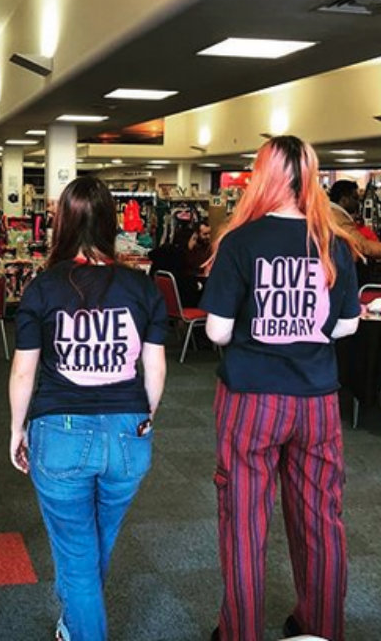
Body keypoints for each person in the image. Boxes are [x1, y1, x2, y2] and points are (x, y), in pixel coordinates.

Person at [200, 136, 360, 641]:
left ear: (262, 176)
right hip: (317, 399)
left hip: (252, 398)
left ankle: (240, 631)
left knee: (245, 519)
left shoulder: (241, 241)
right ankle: (320, 628)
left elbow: (217, 331)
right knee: (321, 516)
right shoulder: (332, 240)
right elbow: (348, 327)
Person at [8, 175, 167, 641]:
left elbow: (23, 372)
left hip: (59, 432)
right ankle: (74, 620)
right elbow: (154, 368)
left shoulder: (43, 288)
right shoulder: (141, 287)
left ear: (61, 223)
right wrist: (147, 417)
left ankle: (81, 627)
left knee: (76, 553)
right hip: (128, 434)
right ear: (111, 222)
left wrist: (17, 430)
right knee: (97, 541)